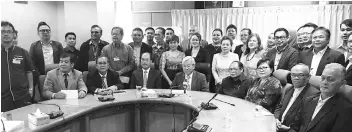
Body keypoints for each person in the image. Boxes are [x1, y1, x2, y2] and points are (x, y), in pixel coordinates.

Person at [289, 63, 352, 132]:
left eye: (330, 79)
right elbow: (294, 127)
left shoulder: (346, 109)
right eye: (322, 78)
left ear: (342, 83)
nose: (324, 82)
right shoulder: (308, 100)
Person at [274, 63, 320, 132]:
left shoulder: (314, 94)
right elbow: (279, 106)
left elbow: (305, 121)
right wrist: (276, 119)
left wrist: (289, 129)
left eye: (300, 75)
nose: (296, 78)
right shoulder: (289, 88)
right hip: (277, 126)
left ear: (308, 77)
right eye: (293, 75)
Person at [1, 21, 34, 112]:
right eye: (3, 31)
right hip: (3, 97)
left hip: (22, 95)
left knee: (25, 120)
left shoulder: (22, 52)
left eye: (9, 31)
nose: (6, 34)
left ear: (14, 34)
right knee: (6, 123)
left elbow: (29, 71)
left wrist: (31, 89)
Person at [205, 28, 223, 93]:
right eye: (214, 35)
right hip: (209, 74)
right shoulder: (207, 47)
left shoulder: (224, 47)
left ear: (221, 36)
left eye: (218, 35)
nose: (215, 37)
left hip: (220, 74)